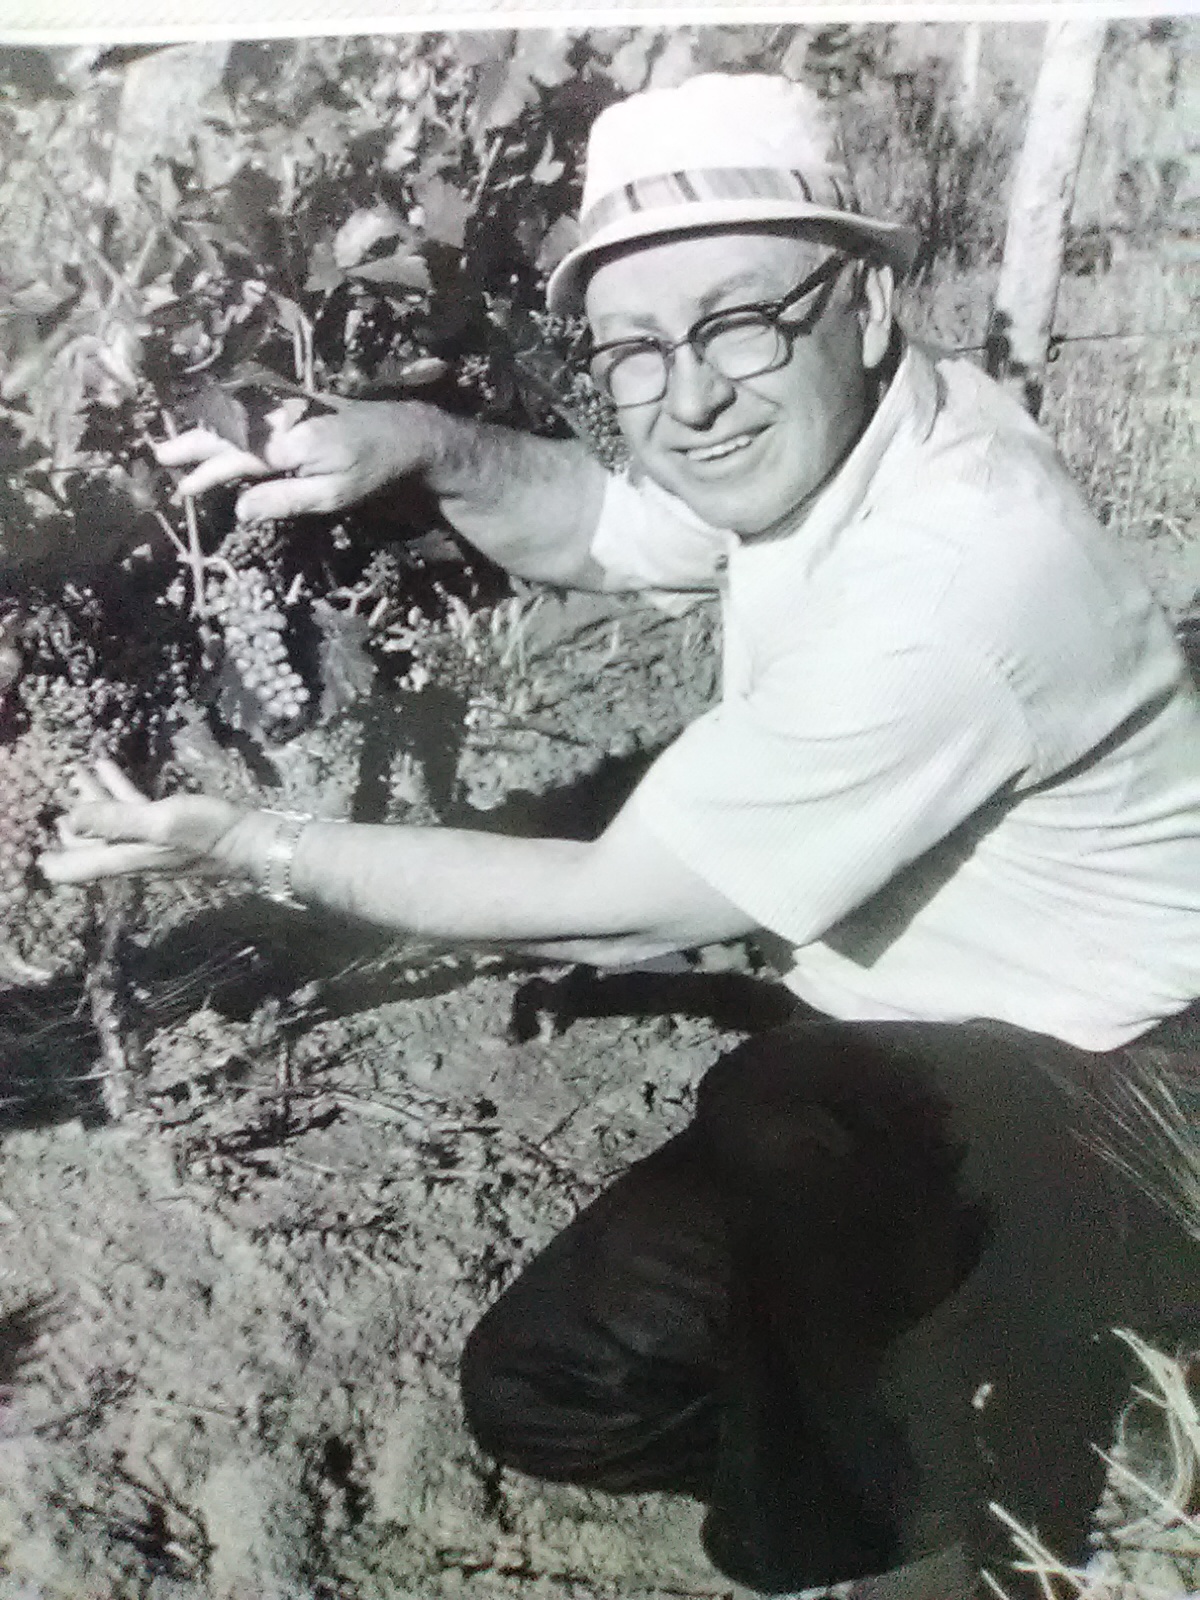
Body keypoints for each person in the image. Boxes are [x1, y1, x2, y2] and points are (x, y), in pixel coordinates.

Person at [42, 74, 1199, 1600]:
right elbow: (603, 521)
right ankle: (977, 1403)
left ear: (859, 300)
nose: (692, 395)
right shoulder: (820, 439)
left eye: (734, 323)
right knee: (546, 1392)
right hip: (926, 1067)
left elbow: (615, 904)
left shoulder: (957, 580)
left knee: (792, 1106)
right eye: (638, 350)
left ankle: (908, 1552)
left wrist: (254, 842)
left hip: (1128, 1091)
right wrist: (429, 445)